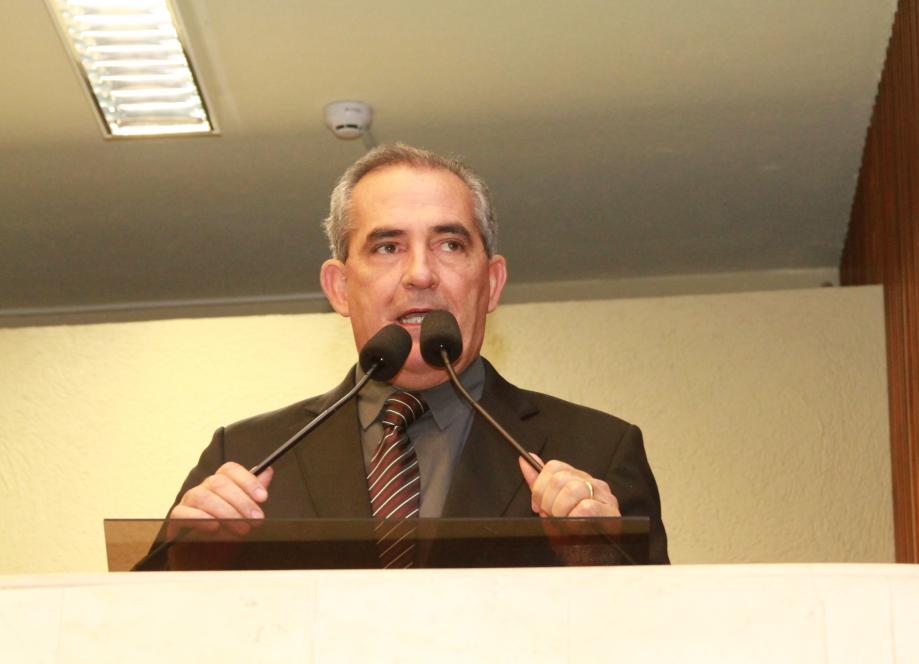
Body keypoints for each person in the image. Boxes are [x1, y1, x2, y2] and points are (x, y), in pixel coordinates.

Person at [167, 143, 668, 564]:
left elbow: (661, 627)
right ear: (339, 288)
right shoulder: (245, 456)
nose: (421, 274)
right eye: (388, 247)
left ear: (492, 283)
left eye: (449, 244)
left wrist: (604, 556)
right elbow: (148, 621)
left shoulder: (597, 451)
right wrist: (188, 562)